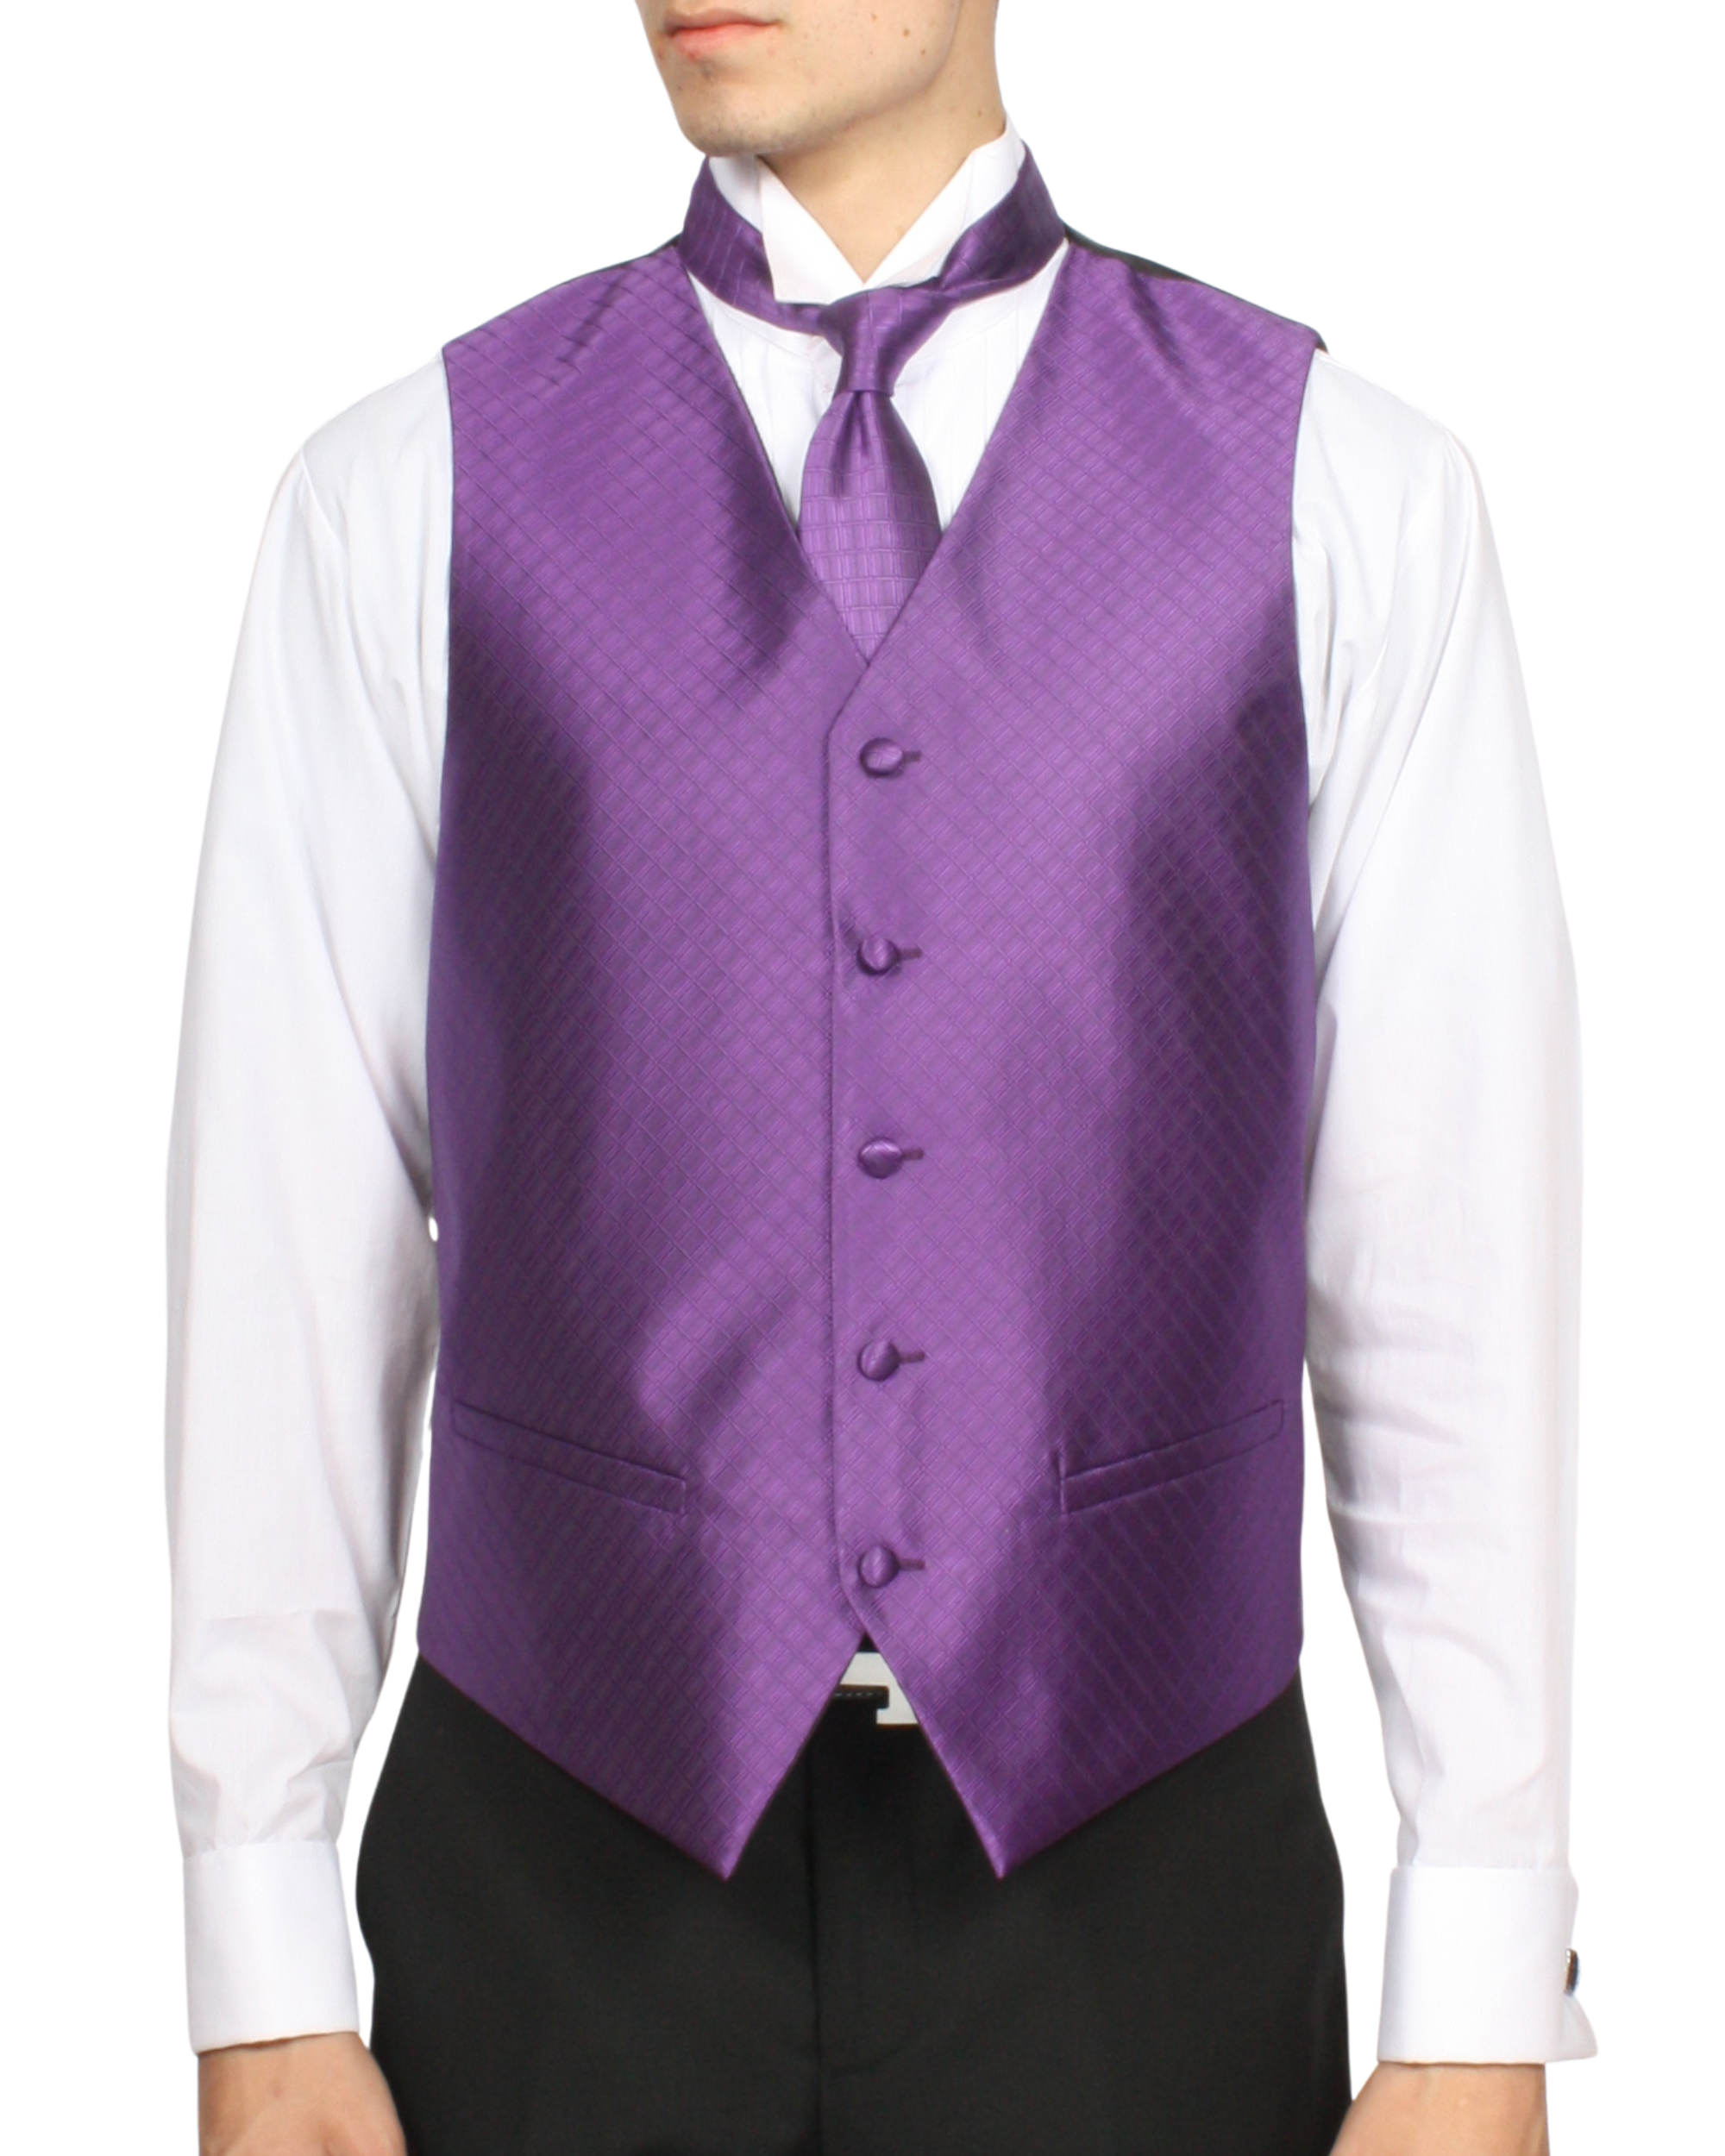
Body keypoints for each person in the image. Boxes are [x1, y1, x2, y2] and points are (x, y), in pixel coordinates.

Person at [170, 3, 1593, 2152]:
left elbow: (1446, 1254)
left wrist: (1476, 1976)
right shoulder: (404, 493)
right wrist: (258, 1945)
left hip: (1142, 1878)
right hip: (557, 1868)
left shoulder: (1344, 489)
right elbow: (291, 1222)